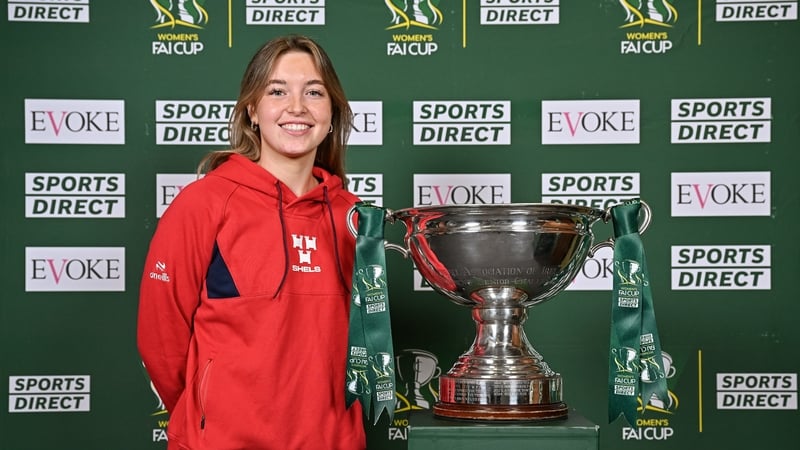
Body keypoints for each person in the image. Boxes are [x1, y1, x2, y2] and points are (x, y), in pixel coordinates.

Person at [137, 34, 366, 450]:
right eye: (277, 91)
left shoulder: (353, 216)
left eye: (313, 92)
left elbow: (366, 345)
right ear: (251, 112)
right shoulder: (204, 203)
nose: (296, 107)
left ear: (332, 115)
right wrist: (209, 416)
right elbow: (161, 340)